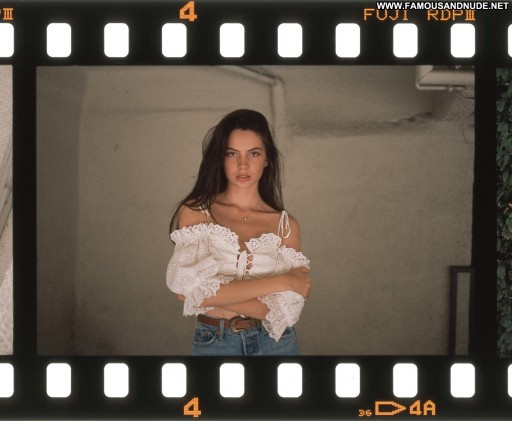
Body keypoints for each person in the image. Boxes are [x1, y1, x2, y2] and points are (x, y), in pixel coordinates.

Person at [166, 109, 311, 356]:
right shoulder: (196, 211)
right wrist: (283, 281)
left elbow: (286, 311)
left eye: (254, 153)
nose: (243, 165)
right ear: (220, 158)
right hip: (215, 341)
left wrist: (208, 294)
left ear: (267, 159)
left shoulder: (285, 225)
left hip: (277, 345)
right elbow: (185, 288)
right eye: (231, 153)